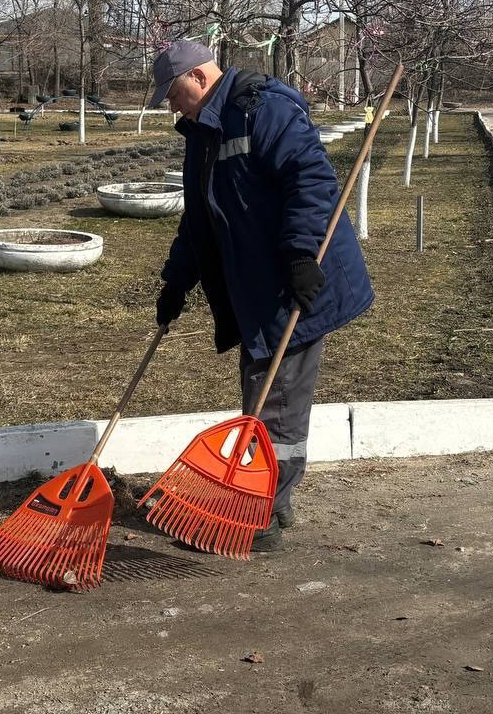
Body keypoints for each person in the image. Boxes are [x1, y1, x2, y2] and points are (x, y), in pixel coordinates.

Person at [150, 39, 374, 550]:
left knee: (276, 402)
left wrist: (300, 257)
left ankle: (262, 517)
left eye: (173, 92)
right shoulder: (204, 132)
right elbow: (201, 218)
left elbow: (311, 183)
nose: (171, 104)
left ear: (200, 79)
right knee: (264, 391)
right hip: (253, 281)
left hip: (292, 279)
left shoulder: (264, 110)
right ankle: (269, 499)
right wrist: (177, 280)